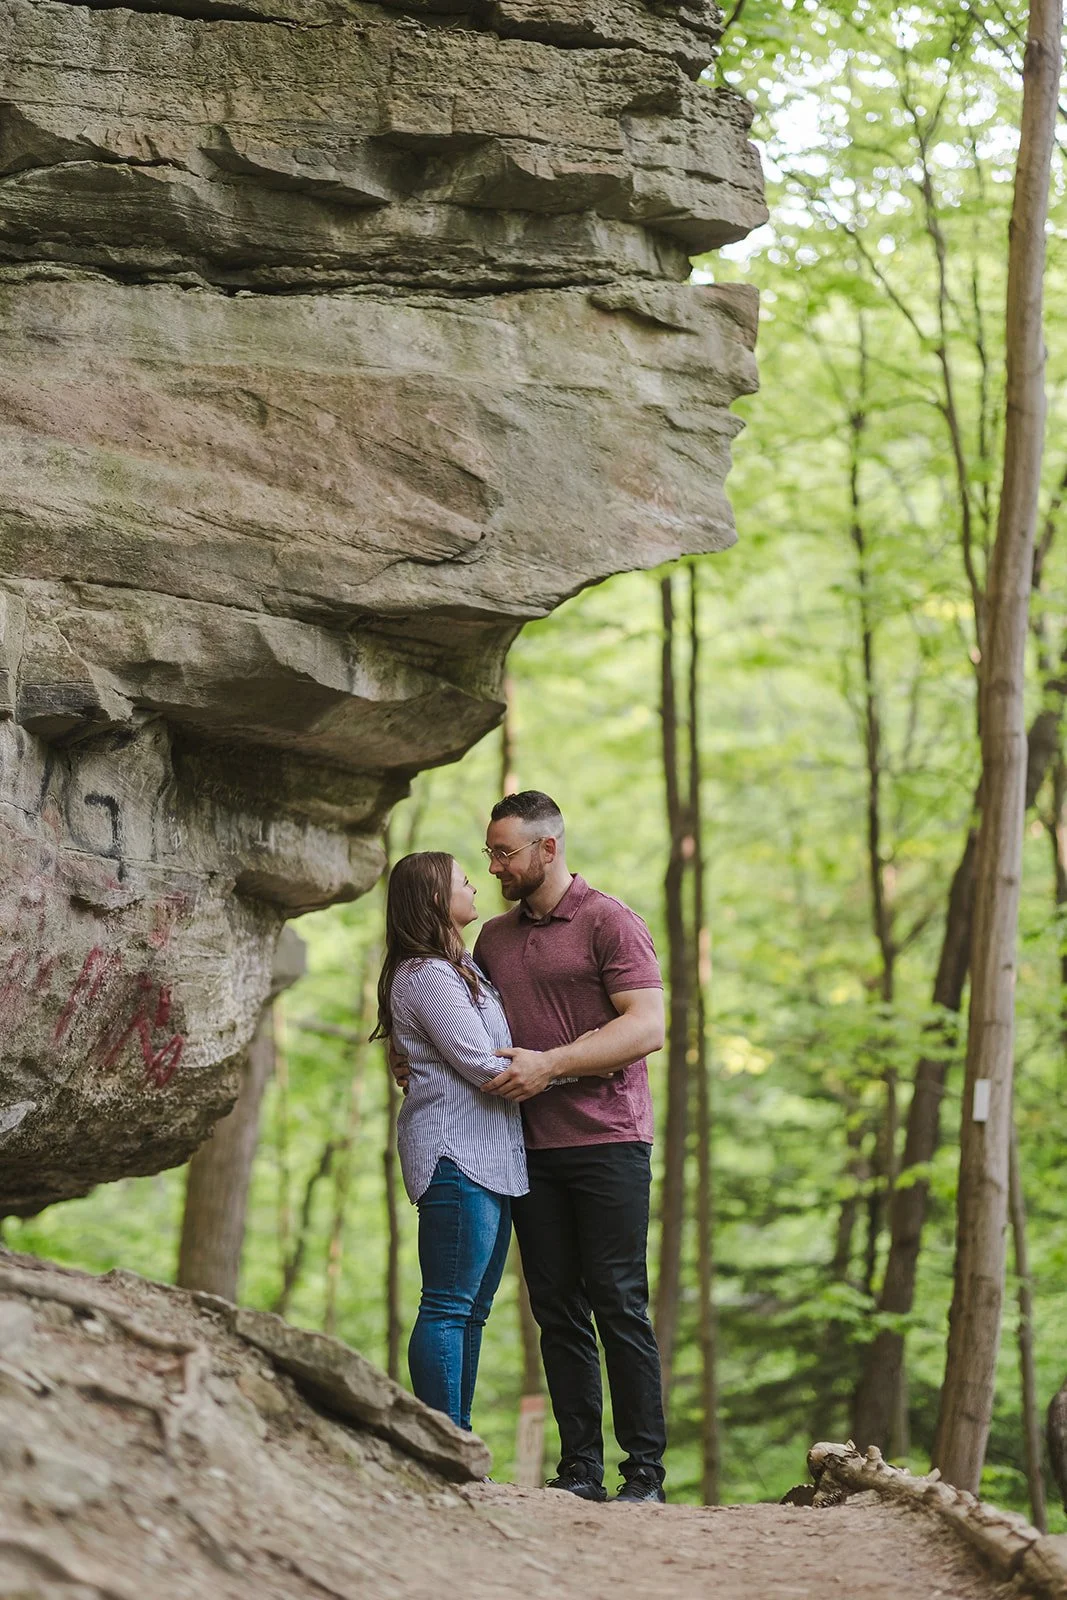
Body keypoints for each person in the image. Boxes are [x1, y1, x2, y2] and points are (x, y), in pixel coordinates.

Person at [475, 790, 668, 1505]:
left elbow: (646, 1027)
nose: (493, 865)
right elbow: (466, 1020)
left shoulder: (607, 921)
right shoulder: (491, 939)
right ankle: (579, 1469)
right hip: (526, 1149)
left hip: (608, 1138)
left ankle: (643, 1473)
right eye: (490, 852)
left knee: (618, 1300)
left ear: (547, 848)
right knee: (554, 1306)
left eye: (504, 852)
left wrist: (551, 1064)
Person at [374, 851, 527, 1433]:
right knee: (447, 1304)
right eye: (465, 879)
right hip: (455, 1157)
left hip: (490, 1158)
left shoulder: (458, 967)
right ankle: (444, 1442)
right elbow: (483, 1066)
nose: (476, 885)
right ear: (438, 897)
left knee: (472, 1311)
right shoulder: (428, 974)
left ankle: (457, 1438)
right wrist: (576, 1066)